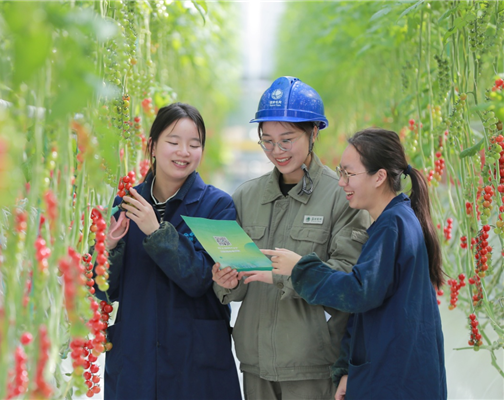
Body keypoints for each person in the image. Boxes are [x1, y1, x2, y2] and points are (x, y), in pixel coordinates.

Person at [212, 76, 371, 400]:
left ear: (313, 132)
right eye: (267, 141)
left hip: (313, 366)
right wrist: (226, 282)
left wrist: (288, 275)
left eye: (287, 139)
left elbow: (348, 280)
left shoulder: (342, 196)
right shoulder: (246, 196)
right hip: (254, 365)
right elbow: (240, 284)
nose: (277, 151)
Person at [270, 128, 447, 400]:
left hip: (396, 381)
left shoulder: (393, 225)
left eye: (349, 174)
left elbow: (358, 292)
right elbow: (367, 309)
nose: (342, 183)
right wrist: (347, 370)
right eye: (341, 173)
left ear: (379, 177)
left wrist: (300, 269)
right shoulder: (394, 221)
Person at [94, 102, 242, 400]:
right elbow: (104, 290)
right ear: (152, 145)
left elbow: (200, 279)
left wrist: (156, 231)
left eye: (194, 144)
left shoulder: (218, 206)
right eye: (173, 142)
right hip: (137, 360)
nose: (184, 152)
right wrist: (108, 246)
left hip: (195, 362)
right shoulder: (126, 203)